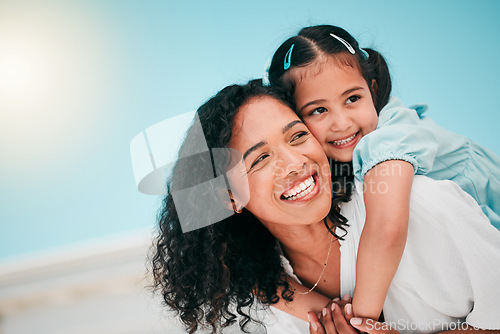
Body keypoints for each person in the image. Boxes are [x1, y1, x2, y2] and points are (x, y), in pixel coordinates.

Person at [150, 80, 500, 334]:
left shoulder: (423, 205)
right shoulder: (263, 302)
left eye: (297, 136)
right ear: (228, 198)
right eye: (260, 159)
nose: (294, 163)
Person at [267, 24, 500, 321]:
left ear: (373, 89)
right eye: (318, 111)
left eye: (353, 98)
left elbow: (386, 229)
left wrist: (361, 323)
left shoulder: (391, 136)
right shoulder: (328, 160)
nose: (342, 122)